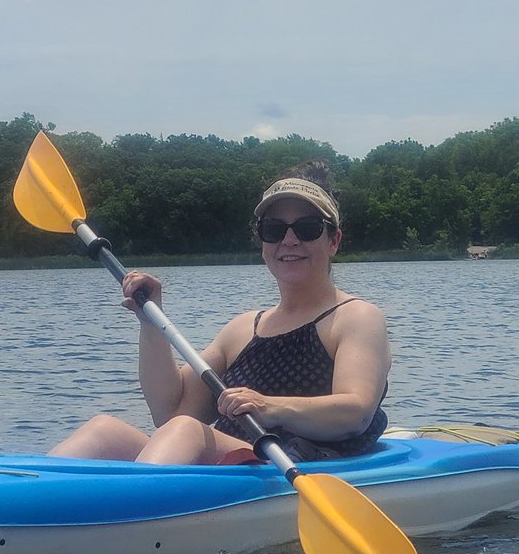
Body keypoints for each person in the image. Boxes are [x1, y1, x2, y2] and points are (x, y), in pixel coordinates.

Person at [49, 160, 390, 465]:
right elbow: (169, 411)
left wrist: (269, 407)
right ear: (262, 243)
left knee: (187, 432)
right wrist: (151, 321)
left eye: (307, 228)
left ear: (333, 240)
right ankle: (14, 508)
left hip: (298, 466)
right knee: (103, 430)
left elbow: (355, 412)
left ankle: (129, 521)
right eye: (273, 230)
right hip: (234, 467)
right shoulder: (242, 329)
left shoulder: (355, 317)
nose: (289, 241)